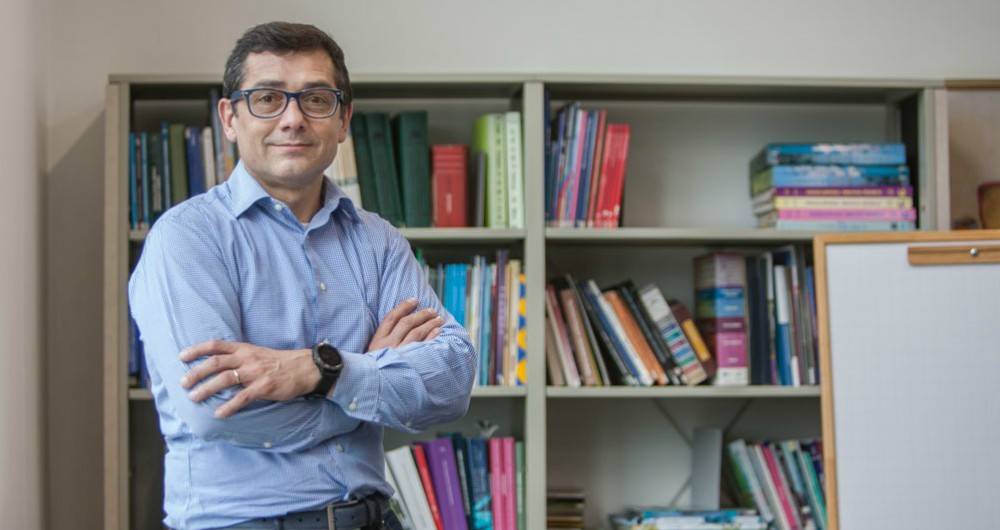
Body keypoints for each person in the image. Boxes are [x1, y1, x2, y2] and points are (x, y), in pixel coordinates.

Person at [128, 21, 476, 530]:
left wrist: (321, 372)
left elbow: (452, 379)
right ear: (230, 118)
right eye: (267, 98)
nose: (293, 119)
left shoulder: (378, 241)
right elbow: (217, 410)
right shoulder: (187, 238)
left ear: (344, 119)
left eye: (316, 100)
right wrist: (365, 380)